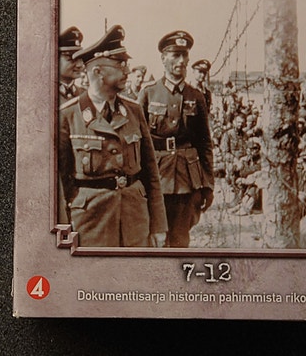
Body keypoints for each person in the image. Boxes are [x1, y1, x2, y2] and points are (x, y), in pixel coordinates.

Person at [58, 25, 167, 247]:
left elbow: (151, 173)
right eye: (120, 65)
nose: (127, 71)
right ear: (98, 72)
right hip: (90, 225)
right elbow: (59, 181)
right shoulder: (68, 115)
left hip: (135, 223)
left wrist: (158, 225)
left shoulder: (134, 111)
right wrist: (62, 229)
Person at [137, 30, 214, 247]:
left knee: (180, 238)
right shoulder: (148, 93)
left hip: (186, 180)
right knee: (155, 237)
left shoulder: (196, 96)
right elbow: (138, 142)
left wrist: (208, 184)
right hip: (156, 176)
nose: (181, 61)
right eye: (175, 55)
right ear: (163, 58)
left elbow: (204, 143)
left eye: (184, 55)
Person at [59, 26, 85, 104]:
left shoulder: (84, 95)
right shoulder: (45, 94)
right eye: (71, 58)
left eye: (80, 58)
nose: (79, 65)